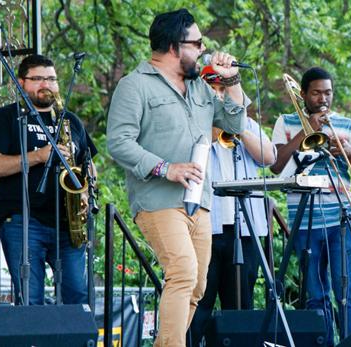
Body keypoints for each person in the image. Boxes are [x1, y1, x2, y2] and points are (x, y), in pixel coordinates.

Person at [106, 9, 249, 347]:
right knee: (183, 271)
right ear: (173, 46)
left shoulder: (200, 86)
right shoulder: (135, 85)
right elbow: (118, 142)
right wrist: (166, 168)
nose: (203, 49)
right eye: (196, 43)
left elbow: (235, 126)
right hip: (158, 200)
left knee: (196, 286)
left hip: (199, 202)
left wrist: (231, 81)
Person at [0, 54, 96, 305]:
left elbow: (89, 166)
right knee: (31, 303)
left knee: (78, 299)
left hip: (68, 222)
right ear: (21, 82)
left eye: (52, 79)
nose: (47, 84)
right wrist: (39, 156)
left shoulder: (71, 120)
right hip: (24, 222)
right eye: (38, 78)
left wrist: (86, 192)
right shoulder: (6, 118)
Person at [271, 67, 351, 346]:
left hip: (341, 219)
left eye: (327, 92)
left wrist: (349, 153)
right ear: (303, 94)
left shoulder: (347, 125)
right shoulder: (285, 122)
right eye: (316, 93)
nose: (323, 98)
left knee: (347, 292)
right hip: (305, 221)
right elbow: (277, 165)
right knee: (315, 294)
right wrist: (306, 131)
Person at [188, 66, 276, 346]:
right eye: (214, 89)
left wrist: (238, 128)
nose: (220, 95)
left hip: (245, 231)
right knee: (199, 303)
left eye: (224, 89)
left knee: (240, 306)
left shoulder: (246, 123)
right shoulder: (193, 121)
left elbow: (270, 157)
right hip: (206, 227)